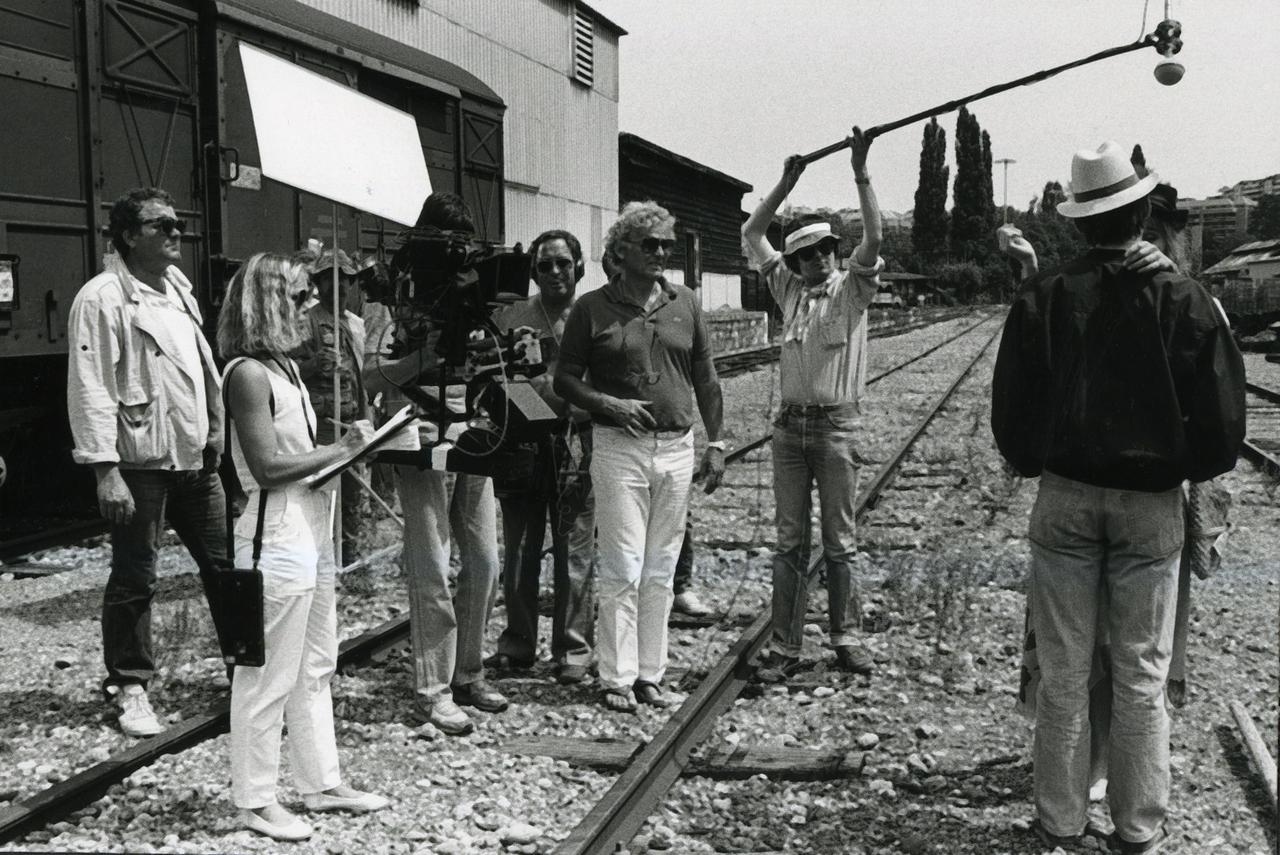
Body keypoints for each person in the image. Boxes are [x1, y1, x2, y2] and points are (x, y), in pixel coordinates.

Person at [991, 141, 1245, 854]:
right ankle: (1137, 829)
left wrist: (1038, 456)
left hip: (1066, 497)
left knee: (1066, 670)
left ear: (1079, 223)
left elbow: (1010, 415)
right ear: (1140, 213)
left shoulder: (1043, 297)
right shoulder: (1184, 298)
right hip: (1149, 506)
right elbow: (1225, 429)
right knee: (1140, 671)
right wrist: (1175, 465)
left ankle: (1062, 819)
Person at [218, 252, 388, 841]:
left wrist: (347, 442)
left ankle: (321, 781)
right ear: (268, 302)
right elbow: (266, 466)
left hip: (311, 521)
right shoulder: (247, 372)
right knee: (265, 674)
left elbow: (298, 451)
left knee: (316, 662)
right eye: (299, 297)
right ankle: (255, 798)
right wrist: (342, 450)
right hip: (275, 530)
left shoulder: (286, 370)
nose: (311, 307)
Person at [67, 187, 228, 737]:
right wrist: (104, 470)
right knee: (137, 575)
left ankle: (245, 665)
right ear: (130, 235)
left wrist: (216, 429)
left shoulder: (178, 289)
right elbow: (89, 387)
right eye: (162, 225)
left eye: (177, 223)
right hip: (141, 463)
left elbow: (198, 368)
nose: (176, 232)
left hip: (194, 459)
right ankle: (129, 685)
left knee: (225, 565)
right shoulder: (102, 297)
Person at [555, 200, 726, 712]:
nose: (660, 253)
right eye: (649, 244)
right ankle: (615, 676)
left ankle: (651, 673)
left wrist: (716, 442)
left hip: (676, 448)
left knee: (661, 569)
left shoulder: (685, 302)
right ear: (621, 250)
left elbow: (706, 376)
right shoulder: (592, 307)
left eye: (666, 246)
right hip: (617, 448)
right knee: (622, 565)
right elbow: (564, 379)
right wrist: (606, 402)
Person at [740, 128, 884, 682]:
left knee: (840, 541)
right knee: (789, 542)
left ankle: (847, 637)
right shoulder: (789, 292)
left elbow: (872, 236)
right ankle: (787, 645)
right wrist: (786, 181)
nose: (814, 261)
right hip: (790, 431)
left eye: (822, 251)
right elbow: (753, 231)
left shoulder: (852, 289)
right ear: (795, 262)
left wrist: (860, 170)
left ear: (834, 253)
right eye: (803, 255)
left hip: (836, 428)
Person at [363, 192, 507, 736]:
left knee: (485, 559)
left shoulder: (475, 298)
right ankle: (434, 686)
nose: (458, 258)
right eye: (448, 246)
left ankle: (469, 669)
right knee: (432, 561)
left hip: (472, 428)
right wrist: (425, 357)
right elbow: (371, 377)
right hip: (416, 430)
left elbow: (487, 361)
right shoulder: (390, 298)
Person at [485, 229, 597, 685]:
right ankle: (518, 644)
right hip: (524, 444)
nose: (554, 272)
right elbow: (493, 378)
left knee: (575, 548)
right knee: (520, 549)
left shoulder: (592, 315)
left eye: (563, 263)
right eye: (545, 265)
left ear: (578, 267)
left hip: (576, 443)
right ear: (533, 271)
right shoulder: (514, 315)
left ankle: (573, 649)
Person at [290, 245, 369, 568]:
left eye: (345, 280)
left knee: (352, 495)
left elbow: (360, 375)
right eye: (330, 280)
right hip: (322, 422)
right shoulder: (305, 321)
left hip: (350, 416)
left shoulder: (356, 324)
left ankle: (348, 561)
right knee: (321, 494)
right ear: (318, 283)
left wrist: (367, 416)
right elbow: (290, 373)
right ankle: (321, 560)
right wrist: (314, 366)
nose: (338, 287)